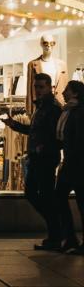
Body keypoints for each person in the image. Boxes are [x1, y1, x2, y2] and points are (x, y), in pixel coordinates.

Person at [2, 73, 63, 251]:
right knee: (33, 193)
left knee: (44, 195)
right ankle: (56, 230)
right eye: (36, 87)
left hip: (45, 158)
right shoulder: (41, 107)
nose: (37, 90)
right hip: (37, 157)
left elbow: (56, 136)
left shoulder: (52, 108)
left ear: (49, 87)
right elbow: (34, 131)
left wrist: (43, 147)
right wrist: (14, 125)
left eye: (41, 87)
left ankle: (56, 233)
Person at [55, 80, 84, 253]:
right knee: (61, 197)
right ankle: (70, 238)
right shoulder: (68, 112)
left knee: (75, 200)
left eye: (67, 90)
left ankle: (71, 238)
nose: (63, 93)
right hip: (72, 163)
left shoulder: (77, 112)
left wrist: (70, 160)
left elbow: (78, 140)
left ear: (75, 93)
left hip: (76, 164)